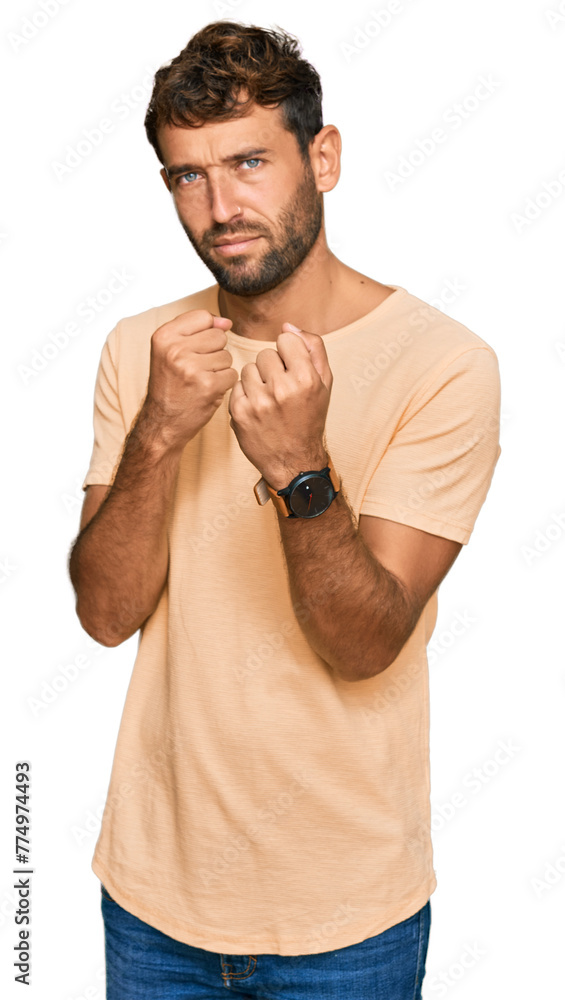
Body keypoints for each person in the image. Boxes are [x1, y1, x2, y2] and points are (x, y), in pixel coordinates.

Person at [68, 19, 502, 1000]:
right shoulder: (142, 347)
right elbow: (103, 615)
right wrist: (157, 434)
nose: (221, 206)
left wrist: (301, 474)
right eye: (188, 175)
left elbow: (363, 642)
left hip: (345, 923)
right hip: (151, 906)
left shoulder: (444, 365)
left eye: (249, 161)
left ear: (323, 156)